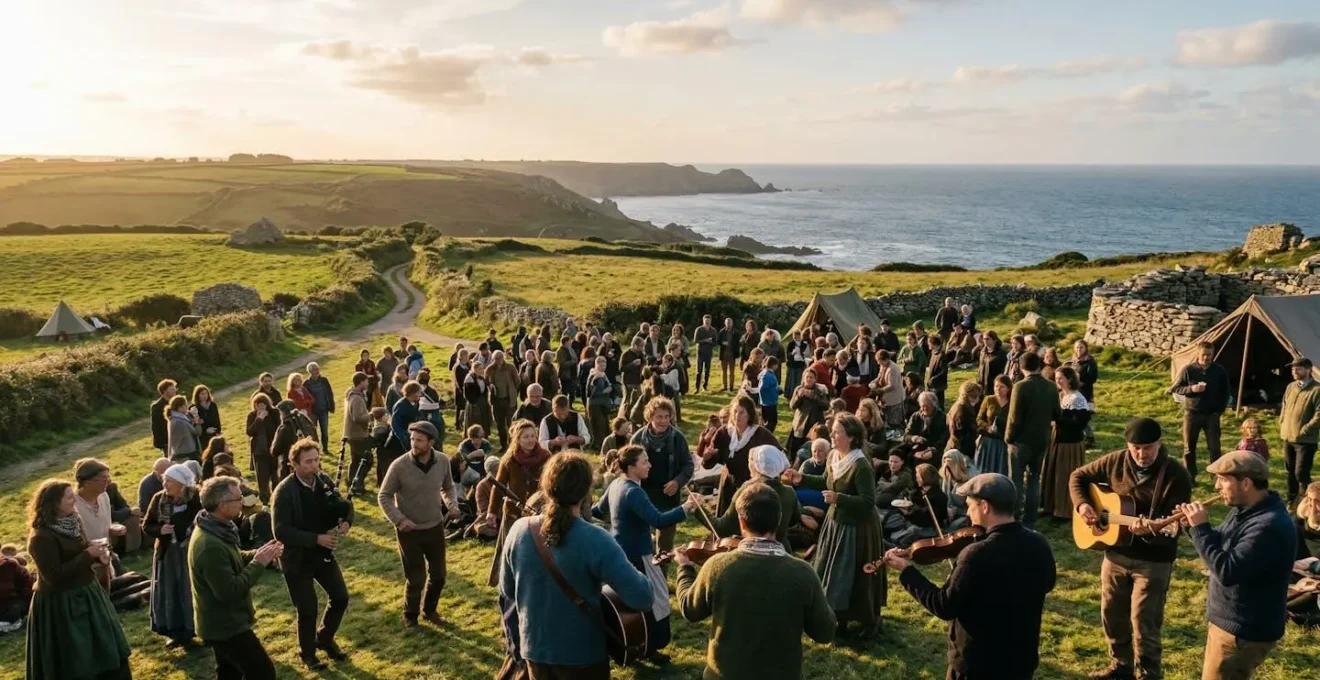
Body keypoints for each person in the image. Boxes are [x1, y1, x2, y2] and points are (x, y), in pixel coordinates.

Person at [883, 473, 1057, 680]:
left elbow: (943, 605)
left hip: (977, 665)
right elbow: (1047, 584)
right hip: (1020, 661)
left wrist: (907, 571)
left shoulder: (976, 554)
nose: (967, 512)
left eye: (969, 505)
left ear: (985, 506)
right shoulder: (1039, 543)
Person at [497, 452, 652, 679]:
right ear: (586, 490)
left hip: (535, 650)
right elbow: (642, 597)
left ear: (547, 486)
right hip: (582, 656)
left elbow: (507, 590)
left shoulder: (520, 529)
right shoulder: (596, 539)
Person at [1070, 417, 1192, 680]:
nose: (1141, 454)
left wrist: (1152, 531)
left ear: (1160, 443)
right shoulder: (1115, 461)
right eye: (1135, 447)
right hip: (1115, 553)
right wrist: (1083, 505)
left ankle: (1148, 673)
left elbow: (1175, 525)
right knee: (1111, 613)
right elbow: (1078, 476)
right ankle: (1120, 665)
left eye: (1148, 447)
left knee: (1143, 621)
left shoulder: (1175, 475)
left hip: (1153, 560)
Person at [677, 481, 835, 680]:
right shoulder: (802, 573)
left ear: (741, 522)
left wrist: (685, 567)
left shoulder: (717, 566)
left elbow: (689, 610)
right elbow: (825, 632)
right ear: (778, 520)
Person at [1175, 451, 1296, 680]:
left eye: (1223, 479)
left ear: (1247, 483)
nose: (1216, 487)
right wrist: (1191, 527)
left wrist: (1201, 529)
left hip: (1242, 632)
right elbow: (1221, 541)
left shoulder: (1268, 526)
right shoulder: (1246, 510)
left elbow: (1227, 570)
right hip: (1231, 624)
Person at [593, 444, 701, 664]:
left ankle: (636, 646)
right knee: (656, 602)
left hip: (620, 553)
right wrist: (686, 507)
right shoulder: (634, 492)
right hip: (639, 556)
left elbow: (597, 510)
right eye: (644, 461)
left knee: (630, 603)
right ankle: (649, 647)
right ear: (632, 467)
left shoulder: (616, 484)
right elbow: (658, 521)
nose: (649, 465)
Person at [783, 414, 884, 640]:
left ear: (851, 437)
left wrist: (840, 499)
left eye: (837, 432)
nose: (832, 435)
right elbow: (826, 482)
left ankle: (867, 620)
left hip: (858, 529)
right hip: (835, 524)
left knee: (855, 575)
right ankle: (837, 618)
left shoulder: (860, 465)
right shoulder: (833, 457)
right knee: (833, 571)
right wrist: (802, 478)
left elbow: (868, 501)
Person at [25, 479, 132, 680]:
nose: (74, 499)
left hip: (87, 593)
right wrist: (87, 555)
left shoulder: (74, 520)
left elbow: (82, 547)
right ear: (53, 502)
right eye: (68, 497)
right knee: (77, 660)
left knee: (106, 649)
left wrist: (98, 552)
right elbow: (54, 577)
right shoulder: (41, 537)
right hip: (61, 605)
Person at [190, 475, 284, 680]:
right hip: (225, 626)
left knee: (229, 673)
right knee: (263, 673)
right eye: (238, 498)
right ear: (222, 505)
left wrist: (260, 553)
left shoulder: (216, 528)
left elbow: (232, 558)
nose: (242, 501)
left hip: (220, 623)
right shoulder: (209, 545)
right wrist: (259, 563)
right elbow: (228, 591)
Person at [272, 438, 354, 670]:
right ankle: (308, 654)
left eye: (316, 460)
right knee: (307, 608)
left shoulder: (323, 481)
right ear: (294, 463)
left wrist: (346, 520)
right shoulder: (284, 492)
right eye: (308, 462)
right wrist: (316, 538)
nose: (314, 466)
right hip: (296, 559)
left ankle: (324, 639)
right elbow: (280, 531)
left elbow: (344, 504)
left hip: (321, 554)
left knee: (340, 597)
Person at [378, 421, 461, 627]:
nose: (414, 444)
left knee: (439, 575)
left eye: (419, 440)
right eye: (412, 439)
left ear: (431, 442)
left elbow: (448, 487)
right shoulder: (399, 466)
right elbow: (384, 495)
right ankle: (410, 615)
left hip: (434, 527)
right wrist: (400, 520)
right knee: (416, 578)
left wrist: (451, 504)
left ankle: (430, 611)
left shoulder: (442, 461)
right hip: (409, 531)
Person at [486, 419, 553, 587]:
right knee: (511, 550)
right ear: (518, 438)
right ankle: (507, 584)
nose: (530, 440)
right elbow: (498, 486)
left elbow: (553, 483)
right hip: (513, 512)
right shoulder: (509, 459)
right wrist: (492, 511)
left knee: (539, 550)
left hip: (539, 512)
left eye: (532, 436)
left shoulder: (546, 457)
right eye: (525, 437)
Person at [142, 463, 202, 647]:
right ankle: (176, 632)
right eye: (164, 480)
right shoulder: (159, 499)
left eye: (169, 481)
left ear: (182, 483)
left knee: (192, 590)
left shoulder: (196, 498)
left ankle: (200, 628)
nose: (164, 484)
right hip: (168, 554)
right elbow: (147, 525)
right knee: (172, 591)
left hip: (192, 551)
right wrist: (160, 529)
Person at [629, 397, 695, 556]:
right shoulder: (638, 439)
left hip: (668, 497)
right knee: (642, 542)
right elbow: (628, 466)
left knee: (664, 547)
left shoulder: (678, 439)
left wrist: (678, 482)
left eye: (667, 417)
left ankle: (662, 577)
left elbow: (688, 465)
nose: (664, 421)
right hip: (643, 495)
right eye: (659, 417)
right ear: (650, 417)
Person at [1005, 351, 1060, 529]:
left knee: (1016, 481)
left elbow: (1014, 418)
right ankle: (1030, 520)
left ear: (1021, 367)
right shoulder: (1051, 387)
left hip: (1021, 441)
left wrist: (1008, 438)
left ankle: (1013, 518)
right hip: (1041, 439)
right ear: (1040, 365)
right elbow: (1057, 414)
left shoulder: (1020, 387)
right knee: (1035, 479)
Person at [704, 394, 781, 516]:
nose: (737, 416)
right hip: (729, 485)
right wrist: (707, 457)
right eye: (735, 411)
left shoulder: (760, 434)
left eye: (741, 412)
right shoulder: (724, 433)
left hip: (752, 487)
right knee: (727, 522)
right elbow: (709, 464)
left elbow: (779, 455)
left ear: (749, 414)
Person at [1171, 341, 1231, 478]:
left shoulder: (1219, 371)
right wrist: (1191, 389)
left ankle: (1217, 476)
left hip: (1212, 415)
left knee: (1215, 447)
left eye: (1209, 355)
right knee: (1189, 448)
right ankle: (1189, 476)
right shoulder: (1189, 370)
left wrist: (1219, 411)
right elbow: (1175, 388)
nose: (1206, 358)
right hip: (1192, 414)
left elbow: (1226, 392)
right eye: (1204, 354)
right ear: (1198, 353)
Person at [1042, 366, 1093, 521]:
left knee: (1064, 475)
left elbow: (1079, 423)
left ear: (1070, 379)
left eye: (1061, 378)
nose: (1058, 381)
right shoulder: (1060, 396)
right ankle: (1050, 506)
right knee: (1053, 472)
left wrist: (1057, 420)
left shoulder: (1077, 399)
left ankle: (1064, 511)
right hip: (1057, 439)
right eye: (1056, 378)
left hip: (1069, 443)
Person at [1279, 356, 1320, 507]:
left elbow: (1319, 414)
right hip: (1287, 436)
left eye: (1298, 368)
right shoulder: (1291, 387)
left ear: (1309, 370)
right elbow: (1284, 404)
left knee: (1301, 473)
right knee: (1289, 471)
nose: (1294, 371)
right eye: (1293, 368)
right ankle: (1291, 500)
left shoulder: (1317, 389)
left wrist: (1305, 429)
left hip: (1305, 440)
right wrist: (1282, 421)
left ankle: (1305, 501)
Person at [881, 463, 947, 547]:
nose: (916, 478)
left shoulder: (937, 496)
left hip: (931, 528)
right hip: (915, 520)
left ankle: (898, 546)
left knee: (913, 531)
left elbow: (926, 519)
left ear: (925, 477)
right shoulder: (920, 491)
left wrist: (908, 513)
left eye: (918, 476)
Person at [244, 393, 280, 503]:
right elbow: (250, 432)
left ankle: (277, 499)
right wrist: (259, 418)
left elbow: (279, 428)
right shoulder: (252, 416)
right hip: (259, 453)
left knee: (276, 478)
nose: (260, 407)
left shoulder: (274, 413)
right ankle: (265, 501)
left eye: (262, 404)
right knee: (262, 480)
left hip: (273, 451)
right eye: (257, 405)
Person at [343, 371, 374, 496]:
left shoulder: (354, 395)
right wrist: (371, 416)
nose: (367, 383)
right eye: (366, 381)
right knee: (366, 460)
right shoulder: (356, 398)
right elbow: (357, 417)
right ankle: (357, 486)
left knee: (356, 460)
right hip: (357, 435)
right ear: (361, 382)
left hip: (352, 434)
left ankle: (352, 483)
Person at [974, 375, 1012, 477]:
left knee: (1000, 471)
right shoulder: (989, 400)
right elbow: (979, 419)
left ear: (1008, 388)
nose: (998, 389)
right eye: (996, 386)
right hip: (988, 441)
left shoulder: (1012, 402)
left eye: (1002, 387)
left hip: (1003, 442)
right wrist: (988, 427)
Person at [271, 399, 317, 482]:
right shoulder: (306, 422)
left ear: (282, 413)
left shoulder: (284, 428)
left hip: (290, 467)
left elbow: (275, 451)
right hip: (311, 464)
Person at [788, 368, 830, 454]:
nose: (809, 379)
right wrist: (799, 396)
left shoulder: (820, 391)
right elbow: (792, 406)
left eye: (811, 377)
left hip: (814, 423)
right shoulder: (798, 389)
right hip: (800, 423)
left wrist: (813, 396)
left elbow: (826, 406)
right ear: (803, 378)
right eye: (807, 377)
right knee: (796, 447)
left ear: (815, 379)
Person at [488, 350, 521, 451]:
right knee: (500, 424)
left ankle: (512, 445)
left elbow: (517, 381)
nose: (498, 360)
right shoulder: (490, 369)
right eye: (496, 359)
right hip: (497, 401)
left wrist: (513, 392)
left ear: (503, 358)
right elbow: (486, 381)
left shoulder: (510, 367)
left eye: (500, 358)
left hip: (509, 400)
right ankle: (503, 445)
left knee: (511, 424)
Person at [905, 391, 949, 463]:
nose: (924, 408)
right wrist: (915, 438)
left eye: (927, 406)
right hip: (916, 448)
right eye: (922, 406)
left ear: (934, 405)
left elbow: (943, 440)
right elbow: (906, 436)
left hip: (934, 451)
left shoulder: (942, 418)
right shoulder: (915, 416)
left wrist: (932, 450)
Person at [940, 449, 978, 528]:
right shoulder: (947, 476)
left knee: (953, 527)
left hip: (967, 514)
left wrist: (956, 511)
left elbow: (974, 503)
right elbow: (945, 497)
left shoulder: (972, 477)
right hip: (951, 513)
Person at [946, 381, 981, 461]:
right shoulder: (963, 410)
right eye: (976, 396)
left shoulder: (958, 405)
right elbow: (963, 433)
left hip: (954, 444)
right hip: (961, 449)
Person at [585, 355, 616, 445]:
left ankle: (606, 444)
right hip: (595, 405)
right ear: (597, 364)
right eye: (601, 364)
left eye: (605, 364)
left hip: (603, 404)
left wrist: (609, 388)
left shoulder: (603, 375)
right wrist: (604, 391)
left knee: (605, 425)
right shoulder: (594, 375)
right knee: (598, 427)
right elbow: (590, 393)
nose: (604, 366)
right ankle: (598, 445)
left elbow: (608, 386)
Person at [463, 360, 494, 440]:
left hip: (482, 402)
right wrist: (474, 403)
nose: (482, 370)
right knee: (475, 420)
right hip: (474, 404)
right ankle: (474, 436)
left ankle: (483, 436)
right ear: (475, 369)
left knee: (483, 420)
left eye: (482, 368)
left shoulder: (481, 378)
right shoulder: (469, 379)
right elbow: (467, 394)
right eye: (480, 368)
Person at [167, 394, 202, 463]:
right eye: (186, 405)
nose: (187, 407)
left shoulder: (174, 419)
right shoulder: (180, 422)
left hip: (183, 455)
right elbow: (197, 432)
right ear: (180, 407)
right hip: (187, 456)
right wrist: (196, 420)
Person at [152, 378, 178, 455]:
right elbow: (156, 426)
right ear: (164, 391)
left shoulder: (176, 402)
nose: (175, 390)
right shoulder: (157, 406)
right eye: (171, 389)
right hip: (167, 440)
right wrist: (162, 443)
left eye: (174, 388)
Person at [192, 384, 222, 452]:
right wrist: (206, 430)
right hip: (203, 437)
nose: (204, 395)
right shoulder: (194, 408)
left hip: (214, 433)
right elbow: (196, 424)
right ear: (197, 395)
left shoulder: (213, 405)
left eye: (206, 393)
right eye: (202, 394)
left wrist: (218, 431)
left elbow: (217, 419)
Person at [926, 335, 951, 409]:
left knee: (939, 404)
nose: (928, 345)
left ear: (934, 344)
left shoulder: (941, 356)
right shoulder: (933, 353)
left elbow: (944, 371)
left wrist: (933, 379)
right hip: (931, 384)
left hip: (938, 385)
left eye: (929, 343)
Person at [719, 317, 741, 392]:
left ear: (732, 323)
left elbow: (738, 343)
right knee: (724, 371)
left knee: (732, 372)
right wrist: (722, 343)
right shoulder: (722, 332)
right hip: (724, 354)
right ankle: (724, 386)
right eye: (727, 322)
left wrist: (737, 353)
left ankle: (731, 387)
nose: (728, 324)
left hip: (732, 354)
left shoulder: (736, 332)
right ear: (725, 323)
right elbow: (718, 341)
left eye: (730, 322)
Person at [759, 357, 781, 432]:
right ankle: (767, 435)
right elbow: (762, 388)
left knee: (768, 421)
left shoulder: (766, 373)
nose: (777, 367)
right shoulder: (768, 375)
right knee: (771, 422)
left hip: (767, 401)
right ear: (773, 365)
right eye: (777, 365)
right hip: (769, 402)